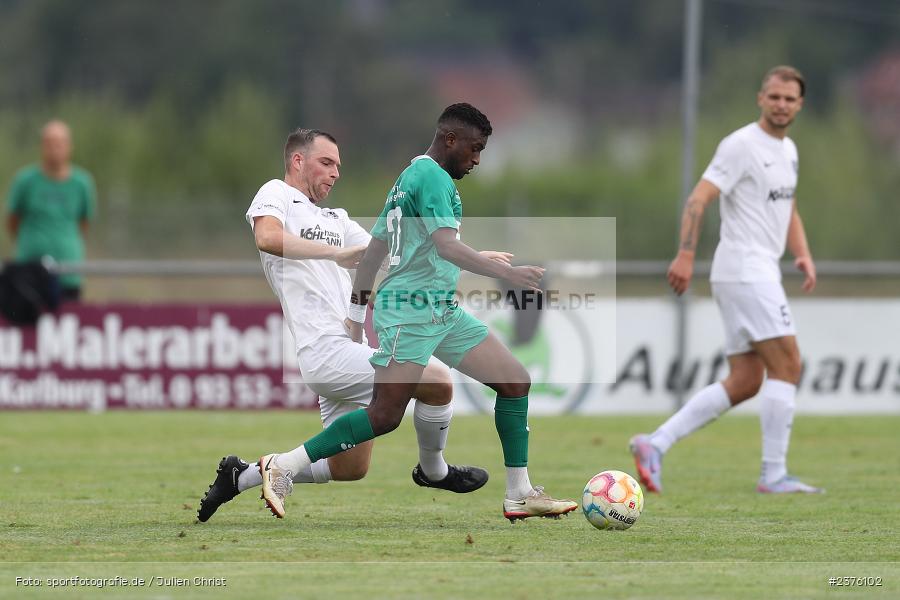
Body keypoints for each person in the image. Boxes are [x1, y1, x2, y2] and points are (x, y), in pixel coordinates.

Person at [257, 104, 578, 522]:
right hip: (410, 312)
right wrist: (504, 272)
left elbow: (377, 252)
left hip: (441, 310)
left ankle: (518, 493)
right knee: (385, 415)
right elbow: (443, 245)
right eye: (475, 148)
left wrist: (355, 315)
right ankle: (286, 465)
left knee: (514, 381)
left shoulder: (414, 177)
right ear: (450, 139)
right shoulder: (429, 177)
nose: (477, 159)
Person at [197, 128, 489, 522]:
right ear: (298, 161)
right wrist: (337, 254)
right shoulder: (277, 194)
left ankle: (242, 474)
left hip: (346, 347)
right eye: (327, 162)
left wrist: (463, 255)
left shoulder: (336, 217)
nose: (335, 173)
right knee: (436, 379)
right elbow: (267, 237)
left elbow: (389, 254)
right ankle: (435, 472)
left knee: (351, 466)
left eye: (339, 166)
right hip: (322, 349)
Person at [630, 66, 823, 494]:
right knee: (789, 364)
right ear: (761, 98)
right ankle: (773, 476)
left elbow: (787, 208)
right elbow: (699, 198)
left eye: (790, 99)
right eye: (774, 96)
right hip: (745, 268)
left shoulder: (788, 150)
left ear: (800, 105)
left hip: (755, 271)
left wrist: (803, 253)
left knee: (747, 380)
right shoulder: (741, 145)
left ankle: (654, 443)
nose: (781, 105)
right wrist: (685, 253)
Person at [5, 120, 96, 302]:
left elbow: (84, 223)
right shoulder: (25, 181)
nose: (54, 150)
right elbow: (12, 220)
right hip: (30, 272)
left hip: (68, 272)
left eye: (59, 144)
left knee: (68, 324)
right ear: (42, 147)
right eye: (49, 144)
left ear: (69, 147)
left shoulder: (82, 183)